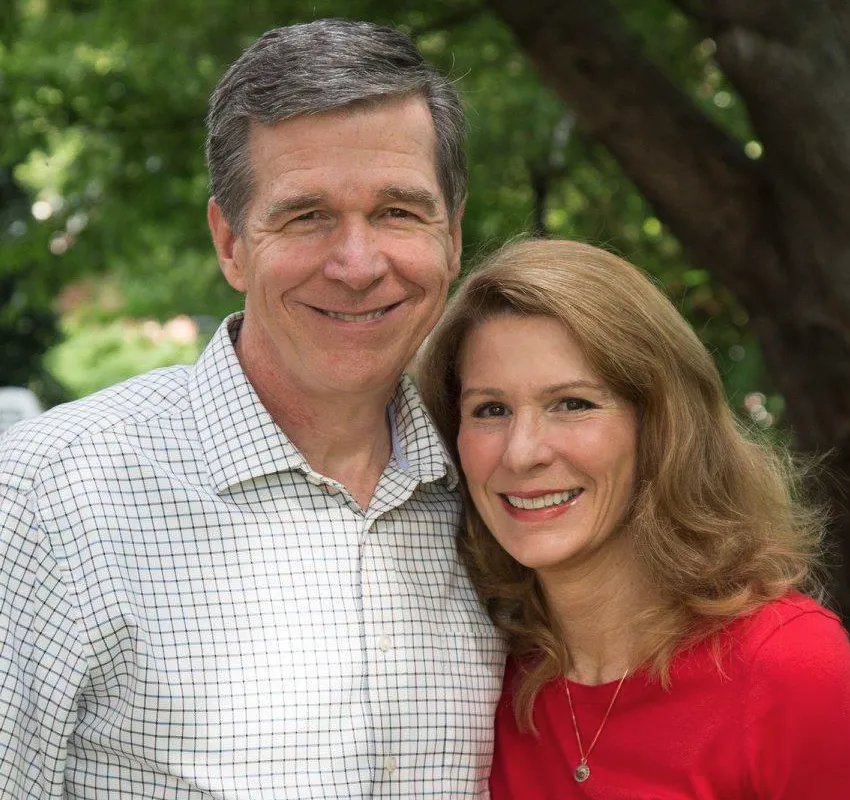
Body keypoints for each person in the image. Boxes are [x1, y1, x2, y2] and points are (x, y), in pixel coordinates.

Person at [0, 20, 504, 799]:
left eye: (399, 212)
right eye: (306, 216)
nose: (358, 264)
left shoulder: (504, 492)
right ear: (230, 243)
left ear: (453, 237)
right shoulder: (45, 504)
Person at [417, 238, 850, 798]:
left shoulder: (793, 668)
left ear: (662, 427)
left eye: (572, 404)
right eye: (490, 410)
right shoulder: (479, 680)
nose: (521, 453)